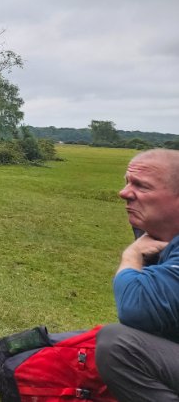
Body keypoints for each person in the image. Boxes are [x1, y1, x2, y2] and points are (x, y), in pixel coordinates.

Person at [95, 149, 179, 401]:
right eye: (127, 182)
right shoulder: (160, 236)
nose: (124, 193)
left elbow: (137, 309)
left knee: (118, 345)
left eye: (141, 186)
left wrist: (131, 256)